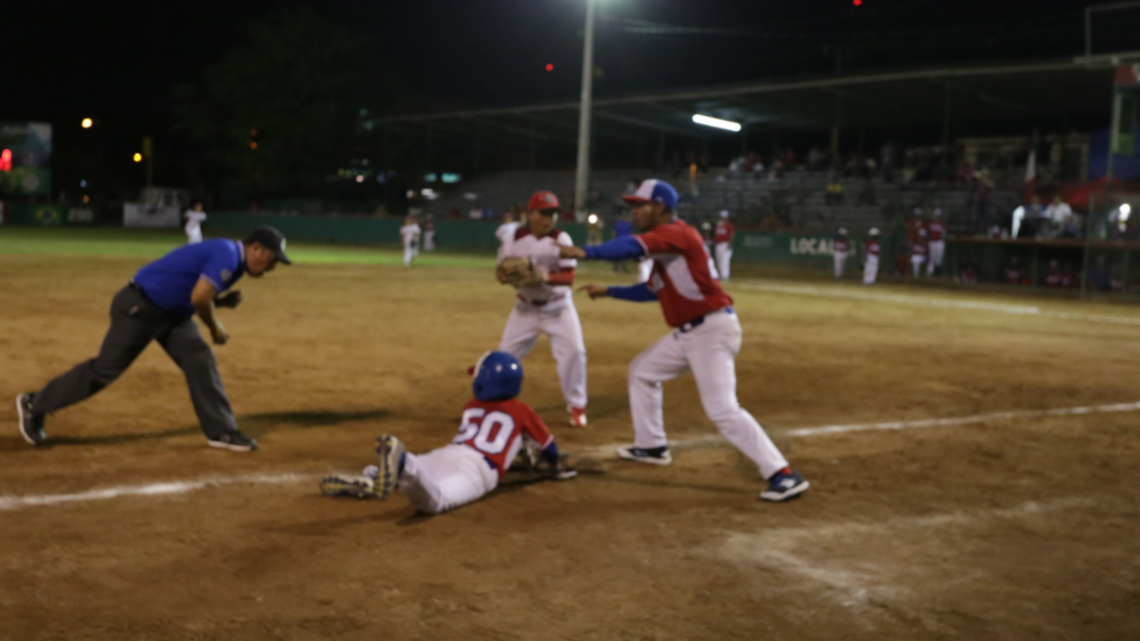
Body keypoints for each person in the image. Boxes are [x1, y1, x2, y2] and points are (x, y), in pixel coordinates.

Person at [558, 179, 809, 502]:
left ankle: (783, 474)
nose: (634, 213)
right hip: (692, 333)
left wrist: (585, 252)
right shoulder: (668, 247)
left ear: (660, 208)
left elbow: (633, 246)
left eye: (640, 206)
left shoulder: (677, 233)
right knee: (642, 371)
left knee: (723, 410)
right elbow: (651, 289)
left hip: (711, 331)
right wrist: (609, 291)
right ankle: (652, 446)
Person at [16, 227, 291, 451]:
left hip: (171, 313)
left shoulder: (233, 259)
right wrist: (215, 327)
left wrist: (222, 301)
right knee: (105, 370)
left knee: (200, 359)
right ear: (256, 249)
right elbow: (199, 298)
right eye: (273, 259)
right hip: (141, 307)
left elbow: (189, 286)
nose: (272, 267)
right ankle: (34, 403)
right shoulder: (229, 254)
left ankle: (222, 431)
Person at [319, 352, 576, 514]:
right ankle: (404, 462)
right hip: (477, 469)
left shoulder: (471, 406)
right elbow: (548, 446)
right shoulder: (522, 411)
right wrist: (555, 466)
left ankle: (373, 476)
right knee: (436, 500)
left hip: (449, 452)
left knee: (423, 472)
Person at [495, 191, 588, 428]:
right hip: (524, 310)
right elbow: (500, 272)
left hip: (558, 309)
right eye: (544, 213)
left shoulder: (561, 239)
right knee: (505, 356)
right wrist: (506, 276)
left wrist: (544, 276)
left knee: (575, 353)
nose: (550, 219)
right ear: (530, 214)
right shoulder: (514, 239)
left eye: (553, 213)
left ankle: (577, 406)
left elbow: (569, 278)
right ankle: (496, 403)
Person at [714, 210, 735, 281]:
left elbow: (731, 235)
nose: (723, 218)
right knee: (719, 260)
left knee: (725, 260)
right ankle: (721, 274)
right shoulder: (718, 225)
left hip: (725, 244)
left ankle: (725, 275)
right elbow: (716, 236)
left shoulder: (729, 226)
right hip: (718, 244)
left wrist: (729, 244)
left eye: (724, 217)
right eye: (722, 217)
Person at [927, 209, 946, 276]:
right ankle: (930, 274)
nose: (937, 217)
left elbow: (944, 233)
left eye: (939, 216)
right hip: (932, 242)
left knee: (939, 258)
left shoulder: (942, 223)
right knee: (932, 258)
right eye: (936, 216)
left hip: (939, 242)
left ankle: (937, 274)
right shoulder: (931, 223)